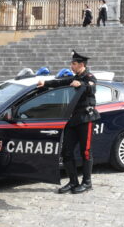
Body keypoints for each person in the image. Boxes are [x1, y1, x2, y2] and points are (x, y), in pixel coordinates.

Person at [37, 50, 100, 194]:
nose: (71, 66)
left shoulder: (89, 77)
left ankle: (87, 182)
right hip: (74, 119)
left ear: (81, 64)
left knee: (86, 152)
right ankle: (73, 182)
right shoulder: (74, 77)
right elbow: (61, 82)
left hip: (86, 118)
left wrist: (82, 84)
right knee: (66, 151)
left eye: (74, 64)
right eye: (71, 63)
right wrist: (45, 83)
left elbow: (92, 87)